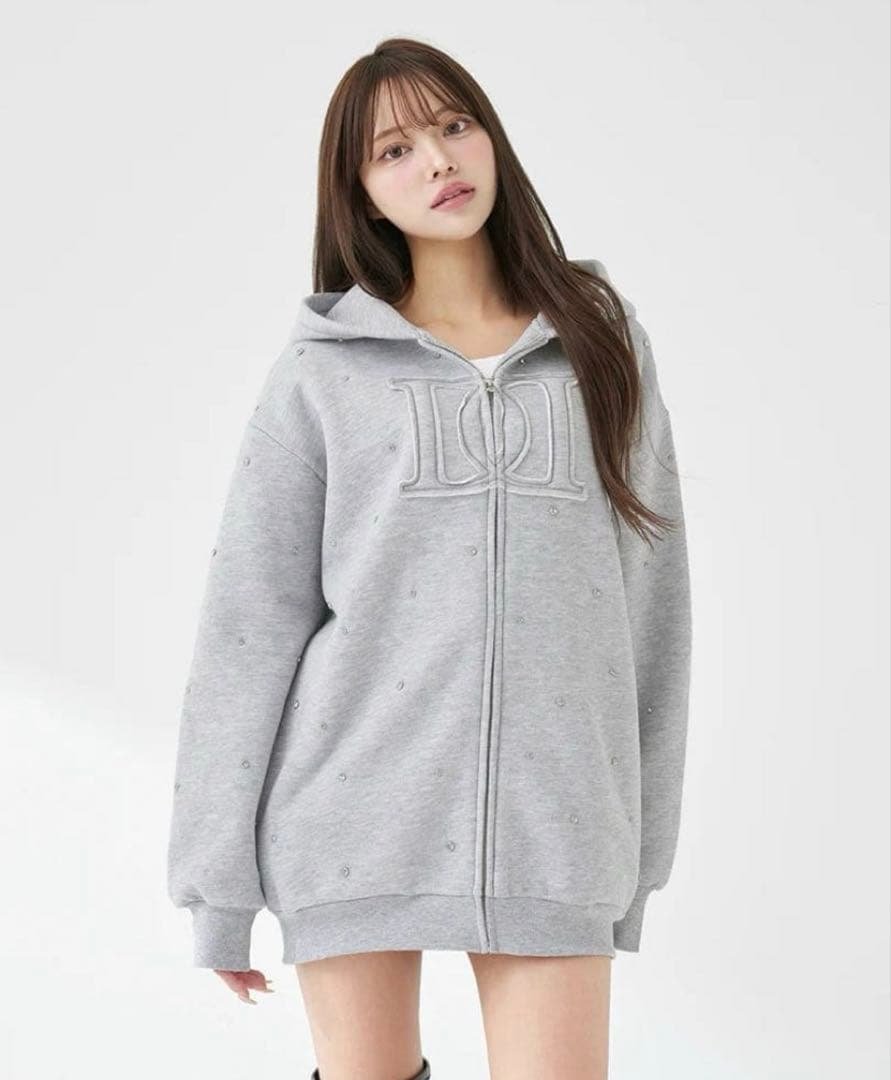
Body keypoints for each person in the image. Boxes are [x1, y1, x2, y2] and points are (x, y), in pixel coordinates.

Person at [166, 36, 693, 1080]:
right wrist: (215, 885)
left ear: (491, 138)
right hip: (346, 819)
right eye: (394, 149)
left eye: (454, 126)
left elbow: (652, 608)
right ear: (359, 192)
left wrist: (636, 854)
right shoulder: (321, 375)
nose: (438, 161)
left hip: (556, 829)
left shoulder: (602, 344)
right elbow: (249, 626)